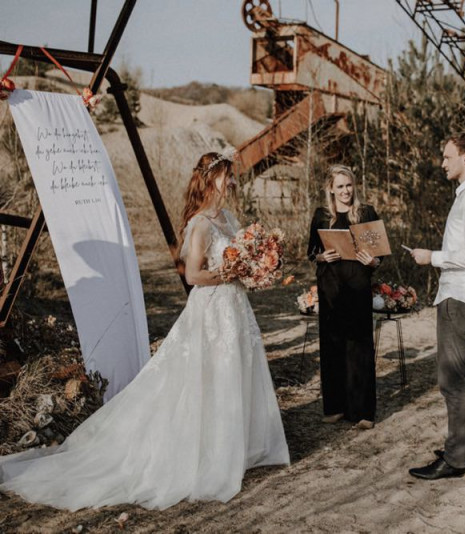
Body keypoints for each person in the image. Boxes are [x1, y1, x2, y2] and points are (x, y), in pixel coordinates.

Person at [0, 152, 290, 510]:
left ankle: (231, 447)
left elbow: (236, 259)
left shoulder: (228, 217)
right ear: (211, 179)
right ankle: (204, 454)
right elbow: (193, 276)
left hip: (234, 308)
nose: (232, 183)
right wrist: (231, 274)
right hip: (211, 309)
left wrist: (253, 268)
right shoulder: (200, 224)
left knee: (232, 372)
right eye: (228, 176)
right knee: (204, 377)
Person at [408, 132, 465, 480]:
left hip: (460, 298)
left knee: (452, 380)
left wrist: (433, 257)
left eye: (447, 157)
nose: (442, 163)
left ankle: (455, 458)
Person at [306, 165, 381, 430]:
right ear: (330, 189)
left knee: (359, 347)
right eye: (340, 186)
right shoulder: (322, 216)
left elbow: (379, 254)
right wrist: (320, 256)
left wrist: (372, 261)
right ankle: (335, 406)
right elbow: (311, 252)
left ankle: (362, 411)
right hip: (330, 288)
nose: (345, 191)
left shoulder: (366, 213)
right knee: (332, 345)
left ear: (354, 186)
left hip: (358, 286)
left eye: (348, 185)